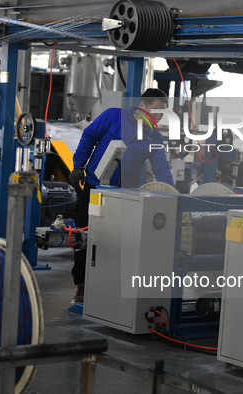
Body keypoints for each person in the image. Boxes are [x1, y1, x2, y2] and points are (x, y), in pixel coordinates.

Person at [68, 88, 174, 304]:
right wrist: (78, 165)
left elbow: (161, 166)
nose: (158, 117)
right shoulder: (113, 116)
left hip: (125, 196)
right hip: (94, 189)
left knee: (118, 242)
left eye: (162, 114)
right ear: (143, 106)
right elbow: (89, 135)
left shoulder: (153, 136)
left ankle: (110, 285)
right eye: (156, 111)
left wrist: (170, 193)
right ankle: (81, 286)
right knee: (84, 238)